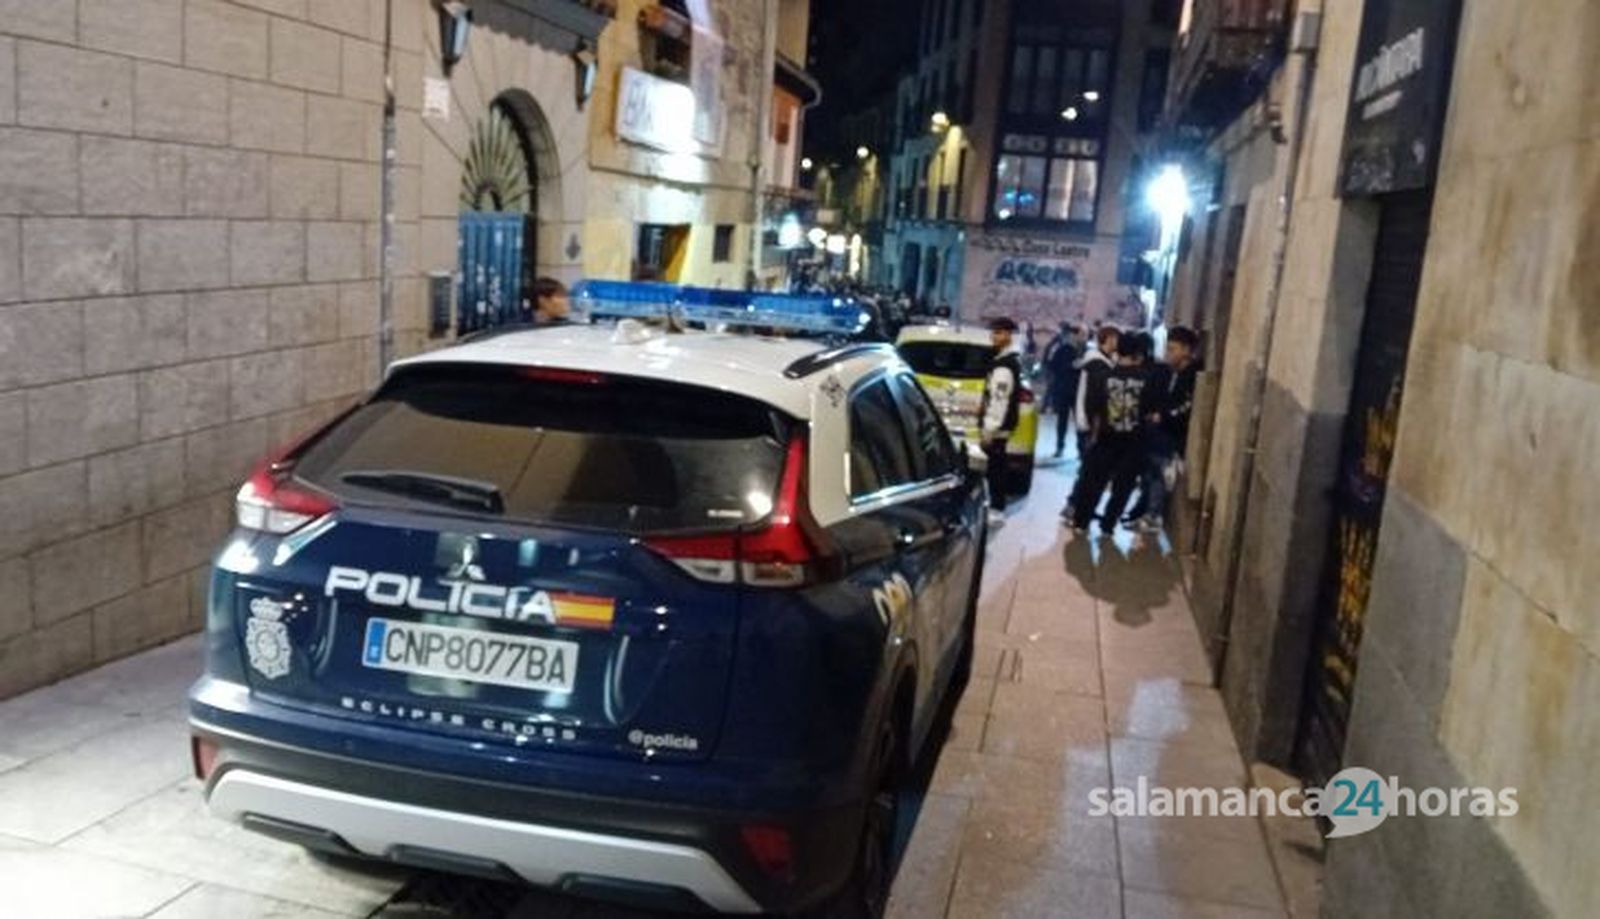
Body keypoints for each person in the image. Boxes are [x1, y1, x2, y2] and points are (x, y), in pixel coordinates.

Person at [1068, 331, 1155, 532]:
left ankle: (1081, 522)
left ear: (1118, 352)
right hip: (1134, 443)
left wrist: (1092, 435)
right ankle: (1108, 525)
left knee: (1094, 483)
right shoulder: (1147, 379)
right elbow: (1150, 412)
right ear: (1138, 355)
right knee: (1122, 488)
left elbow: (1093, 410)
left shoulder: (1102, 377)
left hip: (1105, 439)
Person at [1134, 326, 1201, 531]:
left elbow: (1186, 407)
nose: (1168, 354)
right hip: (1160, 432)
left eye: (1173, 349)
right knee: (1152, 472)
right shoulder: (1171, 373)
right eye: (1168, 348)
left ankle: (1153, 515)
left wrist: (1163, 416)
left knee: (1160, 474)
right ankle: (1146, 512)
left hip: (1173, 435)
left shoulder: (1192, 375)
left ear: (1186, 350)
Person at [980, 317, 1024, 529]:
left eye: (998, 333)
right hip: (1000, 427)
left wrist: (990, 428)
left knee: (995, 468)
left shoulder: (1004, 366)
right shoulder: (1005, 361)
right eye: (993, 332)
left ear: (1008, 335)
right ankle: (995, 506)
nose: (993, 336)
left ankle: (996, 509)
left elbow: (999, 399)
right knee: (995, 466)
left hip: (997, 428)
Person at [1042, 322, 1083, 458]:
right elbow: (1052, 365)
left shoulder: (1084, 350)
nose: (1081, 337)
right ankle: (1060, 446)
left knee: (1080, 421)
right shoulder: (1062, 349)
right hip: (1064, 389)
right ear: (1073, 335)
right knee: (1062, 420)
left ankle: (1080, 448)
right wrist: (1070, 366)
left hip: (1078, 391)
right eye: (1079, 334)